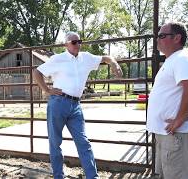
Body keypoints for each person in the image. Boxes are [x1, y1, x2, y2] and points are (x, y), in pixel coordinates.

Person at [33, 31, 123, 179]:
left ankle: (92, 177)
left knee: (83, 142)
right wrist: (47, 90)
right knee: (55, 142)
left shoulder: (86, 58)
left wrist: (113, 62)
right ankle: (58, 176)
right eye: (74, 42)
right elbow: (36, 72)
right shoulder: (58, 59)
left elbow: (106, 58)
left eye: (79, 41)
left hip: (76, 106)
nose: (77, 44)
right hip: (58, 103)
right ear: (66, 44)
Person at [146, 22, 188, 179]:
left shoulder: (183, 58)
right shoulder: (172, 60)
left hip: (178, 134)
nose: (157, 39)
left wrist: (179, 119)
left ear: (177, 38)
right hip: (169, 134)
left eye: (162, 36)